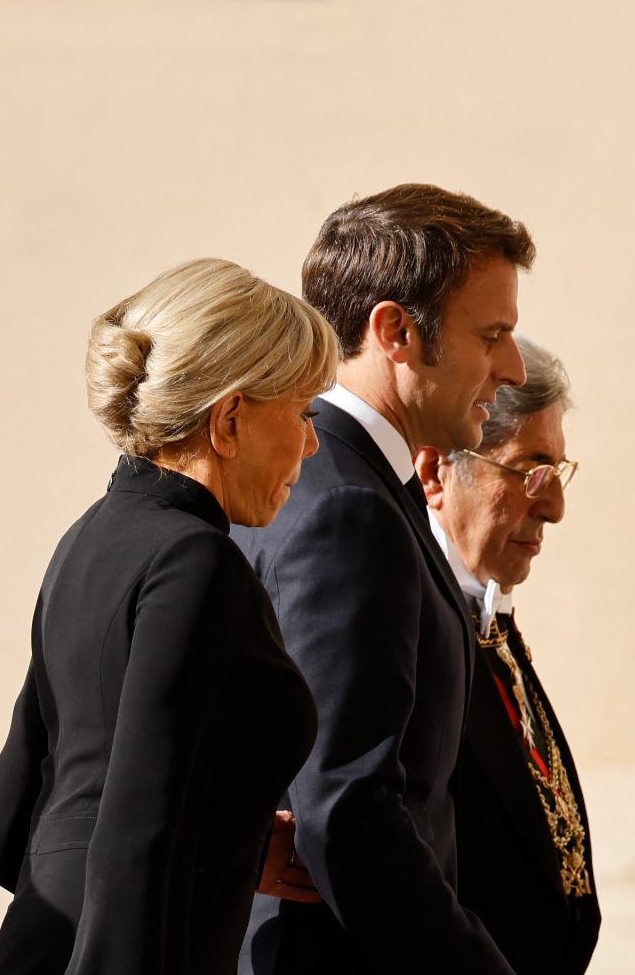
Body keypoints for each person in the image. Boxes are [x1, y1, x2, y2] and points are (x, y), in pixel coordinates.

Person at [0, 258, 334, 975]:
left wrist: (223, 846)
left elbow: (4, 827)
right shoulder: (196, 564)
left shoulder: (87, 539)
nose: (312, 444)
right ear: (230, 419)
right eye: (301, 413)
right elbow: (139, 831)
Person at [232, 184, 530, 975]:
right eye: (492, 333)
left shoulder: (351, 483)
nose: (513, 366)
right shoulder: (345, 510)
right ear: (395, 330)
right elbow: (346, 811)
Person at [414, 335, 598, 974]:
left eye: (559, 471)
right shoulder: (404, 620)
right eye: (529, 469)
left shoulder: (487, 616)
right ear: (436, 472)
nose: (554, 505)